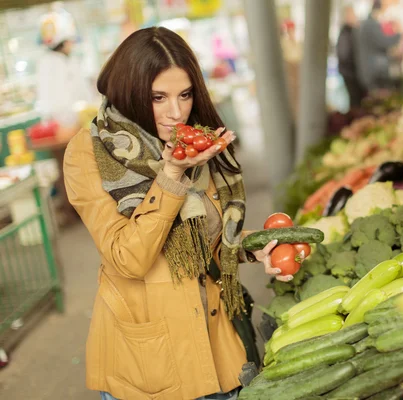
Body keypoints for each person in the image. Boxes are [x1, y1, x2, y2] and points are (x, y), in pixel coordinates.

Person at [63, 27, 293, 400]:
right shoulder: (89, 153)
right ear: (131, 91)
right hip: (151, 366)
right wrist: (171, 176)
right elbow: (128, 259)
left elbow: (208, 242)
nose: (176, 112)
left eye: (185, 95)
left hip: (222, 351)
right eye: (158, 97)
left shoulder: (195, 142)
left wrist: (257, 247)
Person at [36, 7, 95, 226]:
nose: (73, 43)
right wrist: (70, 121)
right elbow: (56, 100)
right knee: (67, 170)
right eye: (69, 40)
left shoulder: (67, 60)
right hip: (63, 127)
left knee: (77, 168)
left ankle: (79, 209)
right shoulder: (50, 64)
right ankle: (72, 212)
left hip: (75, 125)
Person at [355, 0, 403, 92]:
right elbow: (385, 42)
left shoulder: (368, 24)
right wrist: (400, 34)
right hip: (375, 72)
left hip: (371, 71)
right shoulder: (371, 24)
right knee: (381, 96)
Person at [336, 6, 366, 108]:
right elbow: (344, 54)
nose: (355, 17)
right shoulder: (346, 33)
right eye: (353, 15)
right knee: (355, 101)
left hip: (350, 72)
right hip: (350, 73)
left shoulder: (350, 32)